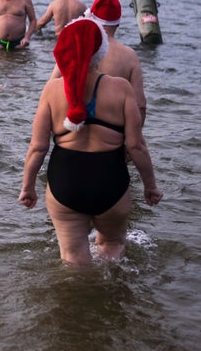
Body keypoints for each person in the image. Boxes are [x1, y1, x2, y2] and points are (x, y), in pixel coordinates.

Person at [19, 18, 162, 266]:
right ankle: (108, 295)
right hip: (111, 182)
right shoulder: (121, 89)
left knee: (73, 259)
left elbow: (38, 147)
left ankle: (78, 300)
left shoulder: (52, 90)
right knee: (112, 246)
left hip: (66, 183)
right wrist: (150, 186)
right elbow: (136, 146)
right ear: (101, 50)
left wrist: (27, 187)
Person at [82, 0, 147, 119]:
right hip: (112, 130)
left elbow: (52, 86)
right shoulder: (130, 56)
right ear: (117, 24)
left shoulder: (78, 48)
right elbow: (140, 104)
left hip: (76, 127)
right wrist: (135, 134)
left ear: (92, 18)